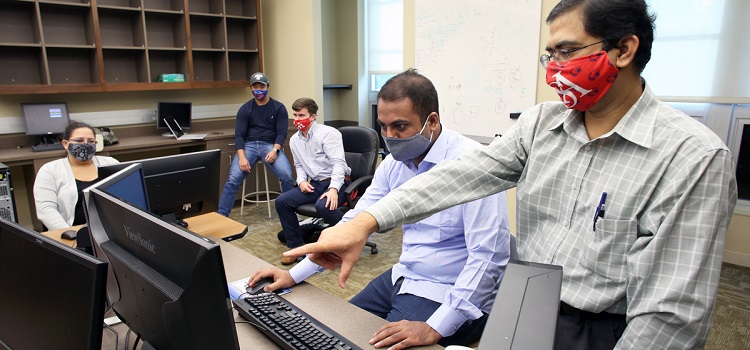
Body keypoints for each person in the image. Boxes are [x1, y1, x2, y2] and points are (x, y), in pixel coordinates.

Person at [287, 1, 738, 349]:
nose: (556, 69)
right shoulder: (542, 123)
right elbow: (463, 176)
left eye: (567, 51)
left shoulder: (692, 157)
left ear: (624, 49)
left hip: (602, 328)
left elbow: (670, 318)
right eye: (550, 55)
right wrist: (366, 223)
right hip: (523, 304)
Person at [251, 70, 511, 348]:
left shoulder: (472, 164)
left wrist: (436, 326)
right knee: (332, 331)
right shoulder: (395, 163)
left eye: (399, 127)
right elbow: (355, 221)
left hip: (448, 291)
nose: (389, 136)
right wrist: (294, 274)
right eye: (383, 127)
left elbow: (488, 258)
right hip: (404, 274)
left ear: (431, 121)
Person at [275, 97, 352, 265]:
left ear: (313, 116)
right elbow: (298, 165)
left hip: (337, 182)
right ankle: (296, 247)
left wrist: (333, 189)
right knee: (282, 201)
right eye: (295, 115)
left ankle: (350, 241)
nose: (297, 120)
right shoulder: (295, 140)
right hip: (314, 184)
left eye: (301, 115)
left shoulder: (328, 134)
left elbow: (339, 164)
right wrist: (301, 181)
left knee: (322, 205)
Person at [217, 72, 295, 216]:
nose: (258, 90)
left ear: (268, 86)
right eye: (255, 87)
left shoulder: (279, 108)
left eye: (262, 86)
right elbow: (239, 135)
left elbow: (281, 133)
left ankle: (290, 214)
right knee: (233, 180)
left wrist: (275, 150)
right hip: (249, 146)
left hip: (271, 146)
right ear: (251, 88)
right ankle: (222, 216)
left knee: (287, 177)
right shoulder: (245, 109)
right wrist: (241, 157)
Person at [33, 122, 119, 230]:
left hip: (109, 229)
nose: (85, 144)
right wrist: (70, 233)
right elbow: (46, 210)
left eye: (91, 141)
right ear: (65, 144)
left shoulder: (111, 163)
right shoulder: (50, 170)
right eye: (79, 141)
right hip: (71, 233)